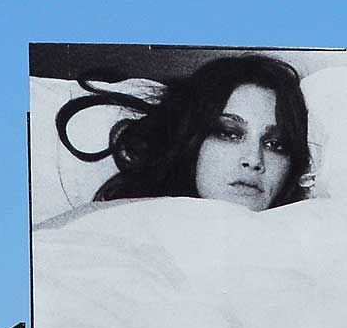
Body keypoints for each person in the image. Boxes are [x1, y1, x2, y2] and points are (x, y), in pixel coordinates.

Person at [55, 55, 312, 212]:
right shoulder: (112, 223)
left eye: (276, 144)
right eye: (229, 133)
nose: (254, 160)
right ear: (190, 139)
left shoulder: (314, 246)